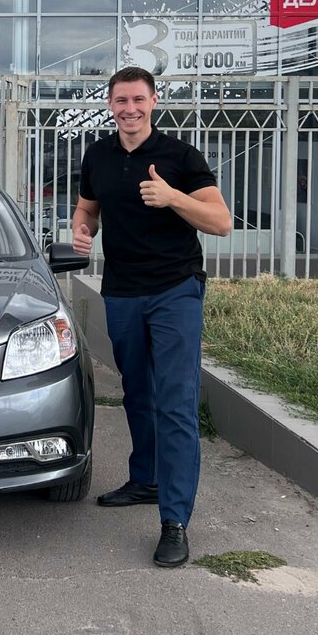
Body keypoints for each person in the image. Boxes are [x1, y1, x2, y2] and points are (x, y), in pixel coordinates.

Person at [71, 67, 231, 568]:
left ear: (154, 101)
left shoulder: (180, 157)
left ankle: (174, 521)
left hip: (174, 290)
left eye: (138, 100)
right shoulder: (97, 155)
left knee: (176, 403)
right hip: (122, 291)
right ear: (110, 104)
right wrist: (82, 230)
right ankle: (146, 480)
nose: (130, 109)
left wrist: (173, 197)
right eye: (121, 100)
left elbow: (221, 222)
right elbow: (87, 209)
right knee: (137, 392)